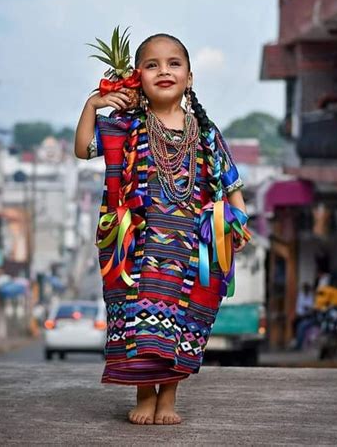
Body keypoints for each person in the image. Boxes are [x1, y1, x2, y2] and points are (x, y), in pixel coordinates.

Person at [75, 33, 249, 425]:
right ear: (138, 77)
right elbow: (84, 147)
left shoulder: (205, 132)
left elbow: (230, 181)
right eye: (152, 65)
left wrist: (238, 220)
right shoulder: (124, 127)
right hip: (138, 248)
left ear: (190, 77)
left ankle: (168, 397)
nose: (164, 71)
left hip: (192, 249)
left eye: (174, 63)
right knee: (141, 320)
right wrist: (93, 104)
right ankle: (143, 393)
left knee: (182, 323)